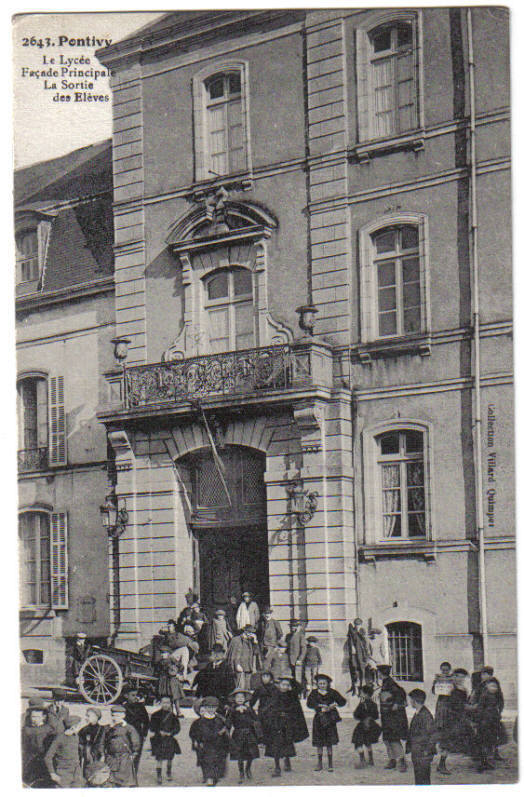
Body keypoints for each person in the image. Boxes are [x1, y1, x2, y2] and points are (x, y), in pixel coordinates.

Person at [263, 675, 309, 777]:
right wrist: (275, 716)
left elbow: (300, 688)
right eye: (283, 684)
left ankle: (287, 761)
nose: (285, 687)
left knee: (287, 743)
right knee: (275, 746)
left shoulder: (291, 695)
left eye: (287, 685)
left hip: (287, 724)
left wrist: (291, 679)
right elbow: (268, 709)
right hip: (276, 724)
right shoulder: (274, 694)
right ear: (279, 685)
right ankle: (277, 767)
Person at [306, 673, 347, 772]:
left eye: (324, 683)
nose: (322, 685)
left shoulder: (332, 692)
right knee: (319, 742)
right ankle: (319, 763)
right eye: (320, 683)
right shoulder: (314, 693)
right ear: (317, 684)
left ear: (328, 684)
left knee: (329, 742)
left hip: (330, 720)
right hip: (318, 719)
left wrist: (334, 705)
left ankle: (330, 764)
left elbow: (343, 701)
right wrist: (319, 706)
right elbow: (309, 704)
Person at [437, 667, 474, 774]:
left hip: (461, 718)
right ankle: (441, 765)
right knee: (447, 742)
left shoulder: (463, 689)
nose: (460, 679)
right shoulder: (449, 689)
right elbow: (452, 704)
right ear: (454, 677)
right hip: (451, 718)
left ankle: (479, 761)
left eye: (462, 677)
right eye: (458, 676)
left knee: (470, 738)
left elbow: (463, 703)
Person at [189, 695, 230, 786]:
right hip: (207, 746)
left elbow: (225, 732)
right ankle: (209, 780)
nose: (211, 709)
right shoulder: (200, 721)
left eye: (213, 707)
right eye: (209, 707)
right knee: (208, 763)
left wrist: (226, 744)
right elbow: (196, 733)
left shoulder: (220, 720)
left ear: (216, 708)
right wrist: (197, 742)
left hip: (218, 746)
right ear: (205, 707)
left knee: (217, 764)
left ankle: (213, 779)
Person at [226, 688, 262, 783]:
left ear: (245, 699)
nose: (240, 699)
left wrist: (248, 713)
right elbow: (228, 722)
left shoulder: (249, 709)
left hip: (249, 733)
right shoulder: (231, 710)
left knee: (250, 753)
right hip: (238, 734)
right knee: (239, 754)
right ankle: (241, 772)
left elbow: (256, 720)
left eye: (242, 697)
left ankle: (248, 769)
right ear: (234, 699)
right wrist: (227, 733)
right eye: (237, 697)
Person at [377, 664, 409, 772]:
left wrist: (396, 703)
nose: (378, 675)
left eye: (379, 673)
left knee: (393, 738)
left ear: (380, 673)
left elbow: (401, 694)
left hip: (393, 716)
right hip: (386, 715)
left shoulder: (390, 684)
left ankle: (401, 760)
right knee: (387, 738)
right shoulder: (386, 683)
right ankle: (392, 759)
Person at [104, 704, 142, 787]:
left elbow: (136, 742)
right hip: (111, 759)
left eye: (118, 716)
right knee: (111, 781)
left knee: (124, 782)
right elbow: (104, 741)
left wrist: (134, 754)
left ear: (123, 716)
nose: (115, 718)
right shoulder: (108, 728)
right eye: (113, 715)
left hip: (124, 759)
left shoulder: (129, 728)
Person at [474, 677, 506, 772]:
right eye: (491, 686)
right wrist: (479, 720)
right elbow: (480, 709)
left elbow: (499, 707)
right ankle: (481, 764)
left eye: (495, 686)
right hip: (484, 723)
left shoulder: (496, 696)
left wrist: (498, 714)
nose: (494, 688)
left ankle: (487, 761)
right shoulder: (484, 696)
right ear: (487, 686)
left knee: (490, 743)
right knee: (483, 743)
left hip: (493, 722)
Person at [21, 698, 56, 787]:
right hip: (30, 762)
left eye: (37, 717)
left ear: (43, 717)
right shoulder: (26, 730)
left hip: (43, 763)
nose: (34, 719)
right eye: (33, 717)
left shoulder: (48, 729)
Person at [406, 689, 437, 785]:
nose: (410, 702)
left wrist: (427, 750)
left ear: (415, 701)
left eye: (411, 700)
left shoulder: (425, 715)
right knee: (419, 778)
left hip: (423, 753)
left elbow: (432, 735)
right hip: (418, 752)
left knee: (423, 779)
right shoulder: (419, 713)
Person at [44, 714, 83, 787]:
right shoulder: (59, 738)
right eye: (78, 726)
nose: (79, 728)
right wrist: (52, 773)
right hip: (64, 773)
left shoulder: (75, 736)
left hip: (76, 772)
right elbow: (47, 757)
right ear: (73, 727)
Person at [193, 644, 236, 711]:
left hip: (221, 701)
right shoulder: (208, 667)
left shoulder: (227, 668)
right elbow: (201, 682)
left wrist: (228, 703)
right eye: (213, 652)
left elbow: (231, 687)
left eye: (218, 653)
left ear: (222, 654)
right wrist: (198, 696)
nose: (215, 654)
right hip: (207, 700)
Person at [150, 696, 182, 784]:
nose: (165, 704)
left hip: (169, 739)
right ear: (160, 703)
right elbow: (152, 727)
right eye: (164, 702)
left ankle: (168, 773)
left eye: (168, 702)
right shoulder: (155, 715)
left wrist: (171, 733)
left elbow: (177, 727)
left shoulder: (173, 716)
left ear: (170, 704)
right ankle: (159, 776)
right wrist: (159, 732)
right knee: (159, 758)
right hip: (159, 739)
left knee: (170, 758)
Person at [352, 683, 382, 767]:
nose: (360, 694)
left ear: (365, 694)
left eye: (361, 693)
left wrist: (360, 706)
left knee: (358, 743)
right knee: (368, 743)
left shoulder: (362, 704)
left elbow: (356, 715)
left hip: (362, 726)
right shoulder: (374, 704)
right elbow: (376, 716)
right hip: (372, 725)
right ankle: (371, 760)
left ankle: (362, 760)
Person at [123, 687, 150, 775]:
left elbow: (146, 721)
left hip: (138, 736)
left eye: (136, 695)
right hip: (126, 736)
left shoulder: (141, 707)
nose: (135, 697)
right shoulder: (123, 708)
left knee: (136, 758)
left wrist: (144, 734)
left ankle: (134, 777)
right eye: (133, 695)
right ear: (126, 696)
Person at [78, 706, 107, 785]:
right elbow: (80, 744)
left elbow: (103, 744)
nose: (86, 718)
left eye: (88, 716)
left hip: (98, 758)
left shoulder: (102, 729)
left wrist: (102, 756)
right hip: (87, 758)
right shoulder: (84, 730)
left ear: (96, 717)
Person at [227, 624, 260, 690]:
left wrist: (255, 642)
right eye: (249, 632)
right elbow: (235, 654)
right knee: (239, 687)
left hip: (248, 666)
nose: (250, 634)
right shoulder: (236, 640)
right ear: (245, 631)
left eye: (251, 632)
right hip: (239, 667)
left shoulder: (251, 640)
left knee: (247, 687)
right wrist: (237, 665)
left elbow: (256, 652)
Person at [157, 645, 185, 718]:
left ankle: (179, 712)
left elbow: (181, 666)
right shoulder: (160, 662)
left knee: (175, 697)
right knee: (167, 697)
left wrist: (178, 673)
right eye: (162, 653)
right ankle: (170, 712)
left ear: (168, 653)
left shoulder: (172, 660)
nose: (162, 655)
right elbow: (158, 670)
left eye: (164, 653)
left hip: (172, 681)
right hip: (164, 681)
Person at [346, 618, 370, 694]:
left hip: (362, 653)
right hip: (354, 653)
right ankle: (355, 688)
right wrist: (352, 647)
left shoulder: (362, 631)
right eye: (356, 625)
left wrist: (367, 653)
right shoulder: (352, 631)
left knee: (362, 669)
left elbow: (366, 643)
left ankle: (362, 688)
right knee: (354, 668)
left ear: (361, 625)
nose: (357, 626)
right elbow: (350, 641)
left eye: (359, 625)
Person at [287, 620, 307, 685]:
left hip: (297, 661)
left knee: (298, 679)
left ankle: (299, 693)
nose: (293, 628)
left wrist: (300, 659)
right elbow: (287, 647)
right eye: (292, 626)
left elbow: (303, 648)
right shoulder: (288, 636)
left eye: (295, 626)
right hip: (290, 661)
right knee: (291, 678)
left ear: (298, 627)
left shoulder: (301, 636)